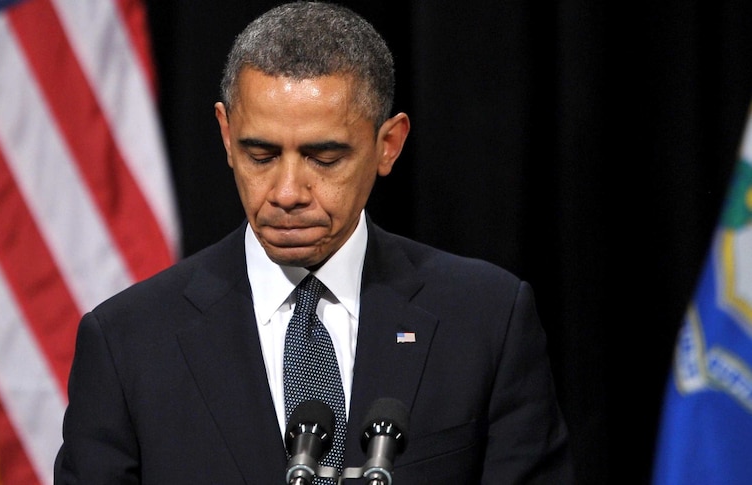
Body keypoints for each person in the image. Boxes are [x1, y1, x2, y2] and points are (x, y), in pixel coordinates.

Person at [54, 2, 573, 483]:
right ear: (226, 137)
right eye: (260, 155)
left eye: (324, 159)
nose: (286, 193)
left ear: (387, 145)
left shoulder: (486, 320)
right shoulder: (127, 344)